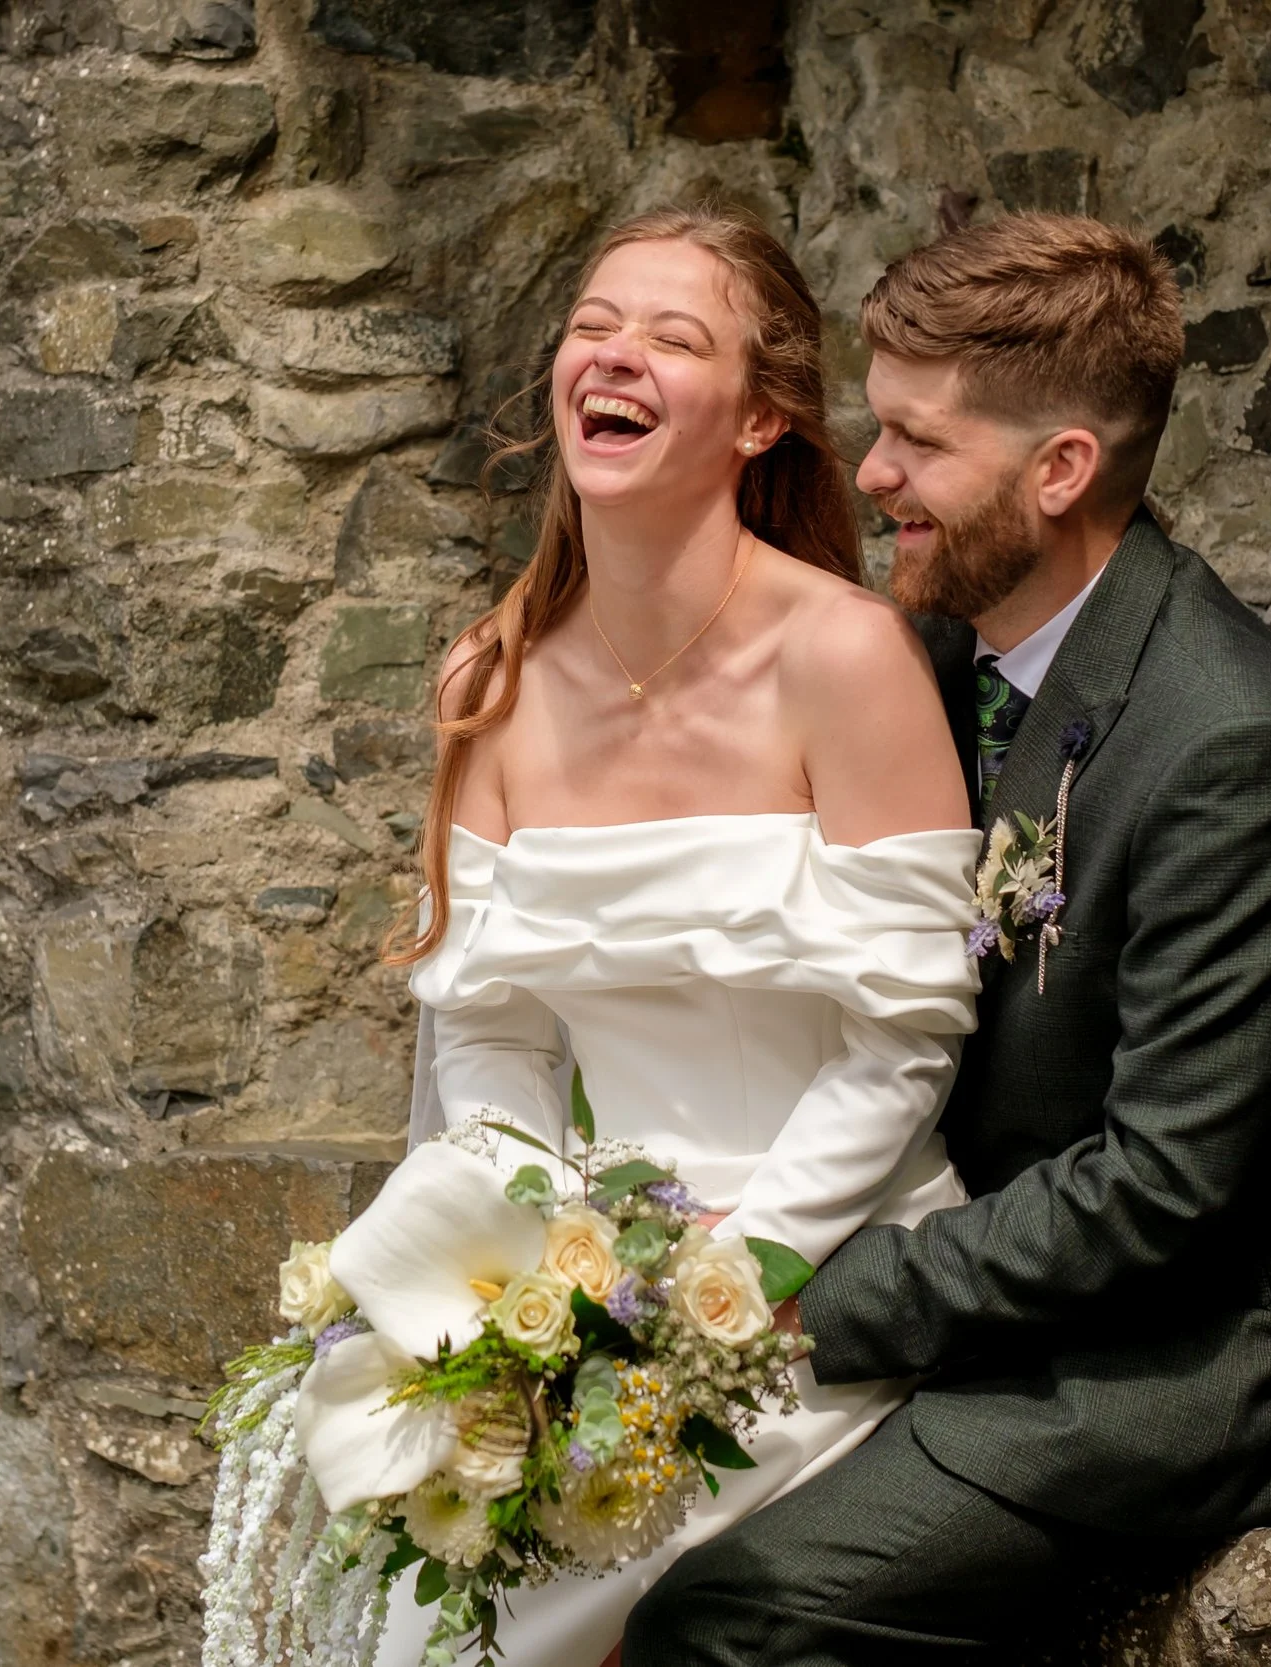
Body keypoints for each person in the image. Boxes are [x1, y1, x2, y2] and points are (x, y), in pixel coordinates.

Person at [623, 213, 1271, 1662]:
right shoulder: (934, 650)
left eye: (920, 442)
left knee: (726, 1611)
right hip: (964, 1268)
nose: (873, 476)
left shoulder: (1234, 751)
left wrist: (806, 1297)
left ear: (1061, 471)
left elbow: (1165, 1193)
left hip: (1167, 1357)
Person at [363, 203, 981, 1667]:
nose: (613, 353)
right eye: (593, 323)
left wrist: (724, 1283)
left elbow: (905, 1038)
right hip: (587, 1291)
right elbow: (490, 1027)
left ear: (763, 418)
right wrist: (544, 1274)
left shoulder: (848, 656)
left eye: (670, 335)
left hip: (821, 1277)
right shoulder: (491, 679)